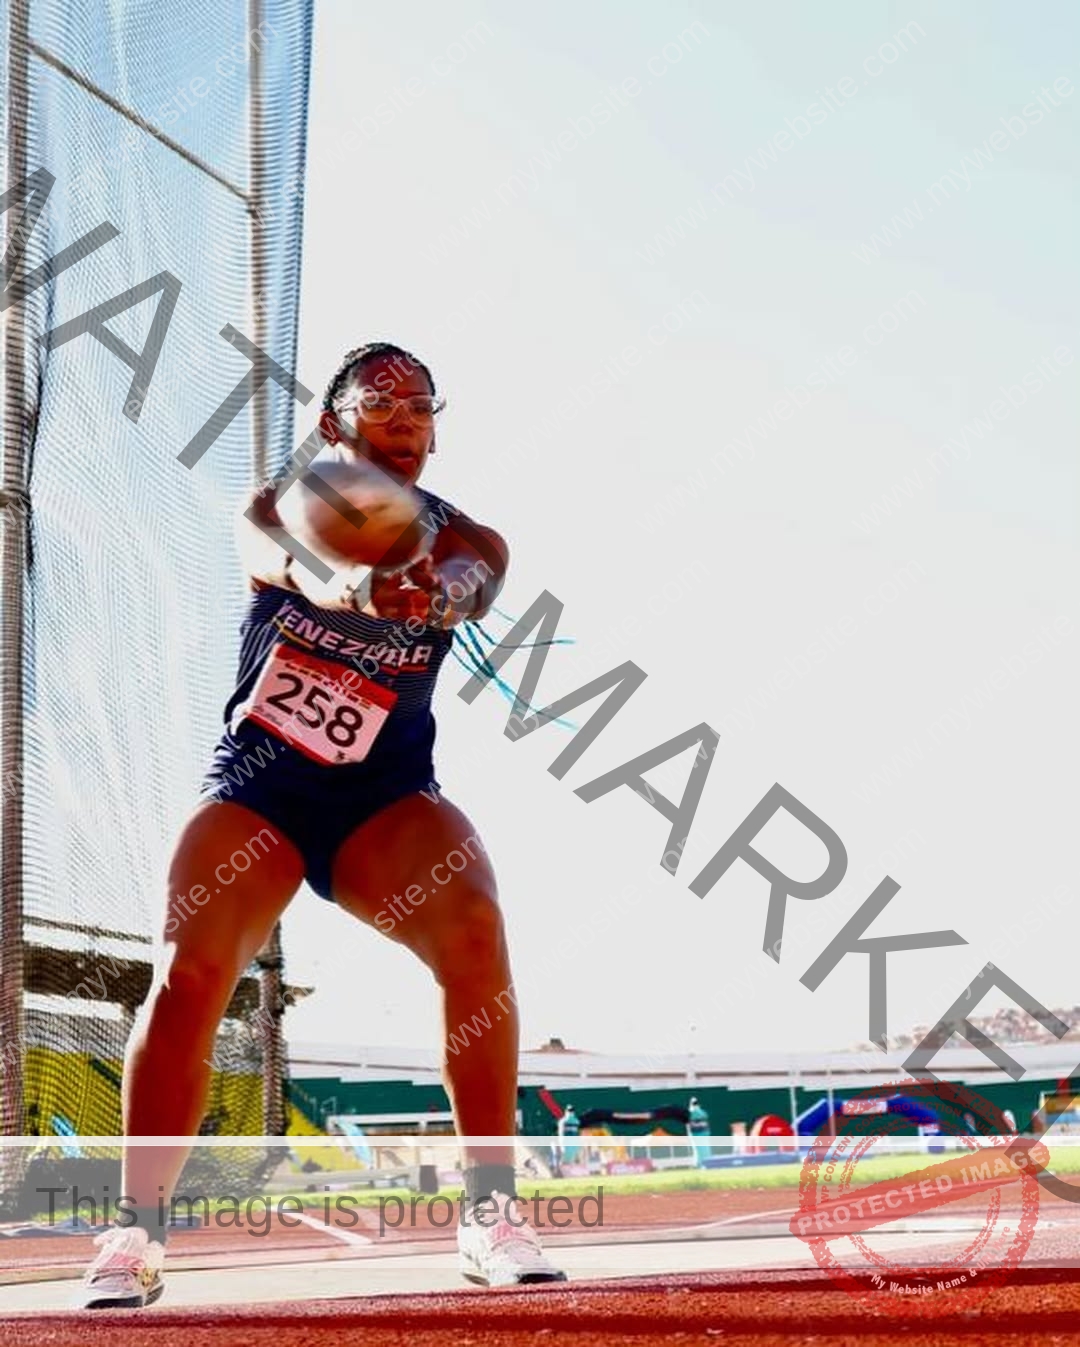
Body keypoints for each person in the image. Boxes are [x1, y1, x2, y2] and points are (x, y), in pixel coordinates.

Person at [80, 342, 565, 1307]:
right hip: (262, 791)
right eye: (382, 400)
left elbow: (480, 577)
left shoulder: (465, 536)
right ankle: (135, 1229)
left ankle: (490, 1211)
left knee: (474, 923)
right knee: (189, 966)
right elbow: (289, 563)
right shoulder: (269, 508)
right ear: (333, 419)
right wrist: (359, 590)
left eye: (425, 405)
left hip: (381, 801)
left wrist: (444, 589)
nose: (408, 418)